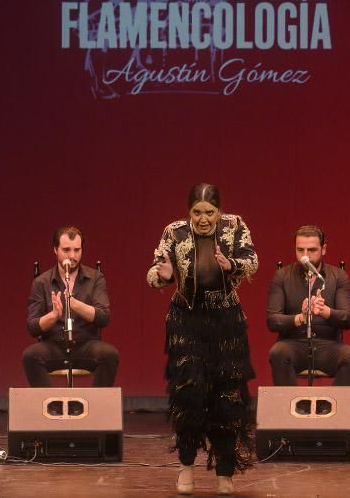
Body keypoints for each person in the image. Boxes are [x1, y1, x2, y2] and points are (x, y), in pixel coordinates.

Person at [147, 183, 257, 496]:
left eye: (210, 212)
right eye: (197, 212)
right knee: (189, 395)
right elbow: (153, 272)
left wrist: (232, 264)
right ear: (189, 211)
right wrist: (164, 276)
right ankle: (186, 466)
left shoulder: (234, 226)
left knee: (227, 397)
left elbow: (252, 261)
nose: (203, 219)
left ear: (219, 211)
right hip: (187, 320)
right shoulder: (174, 232)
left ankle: (225, 472)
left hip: (225, 322)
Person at [266, 225, 350, 385]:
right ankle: (292, 401)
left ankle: (332, 402)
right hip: (293, 345)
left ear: (323, 249)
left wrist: (326, 312)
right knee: (278, 352)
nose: (305, 256)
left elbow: (347, 319)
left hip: (328, 346)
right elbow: (273, 321)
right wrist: (300, 318)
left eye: (311, 250)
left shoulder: (338, 276)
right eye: (300, 250)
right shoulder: (282, 276)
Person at [23, 226, 118, 387]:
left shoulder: (96, 278)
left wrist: (75, 304)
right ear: (55, 250)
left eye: (77, 250)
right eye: (66, 250)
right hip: (54, 346)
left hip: (86, 345)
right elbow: (33, 327)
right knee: (30, 356)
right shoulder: (41, 282)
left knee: (109, 355)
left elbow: (104, 317)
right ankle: (52, 403)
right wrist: (53, 315)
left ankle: (95, 402)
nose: (72, 256)